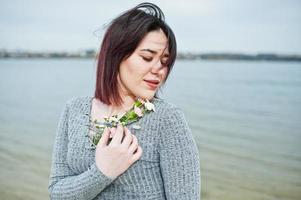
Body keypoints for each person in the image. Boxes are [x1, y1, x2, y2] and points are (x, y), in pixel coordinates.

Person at [48, 2, 201, 200]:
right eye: (147, 57)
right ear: (116, 55)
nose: (159, 70)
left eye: (164, 61)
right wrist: (103, 172)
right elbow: (57, 192)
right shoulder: (74, 110)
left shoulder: (167, 119)